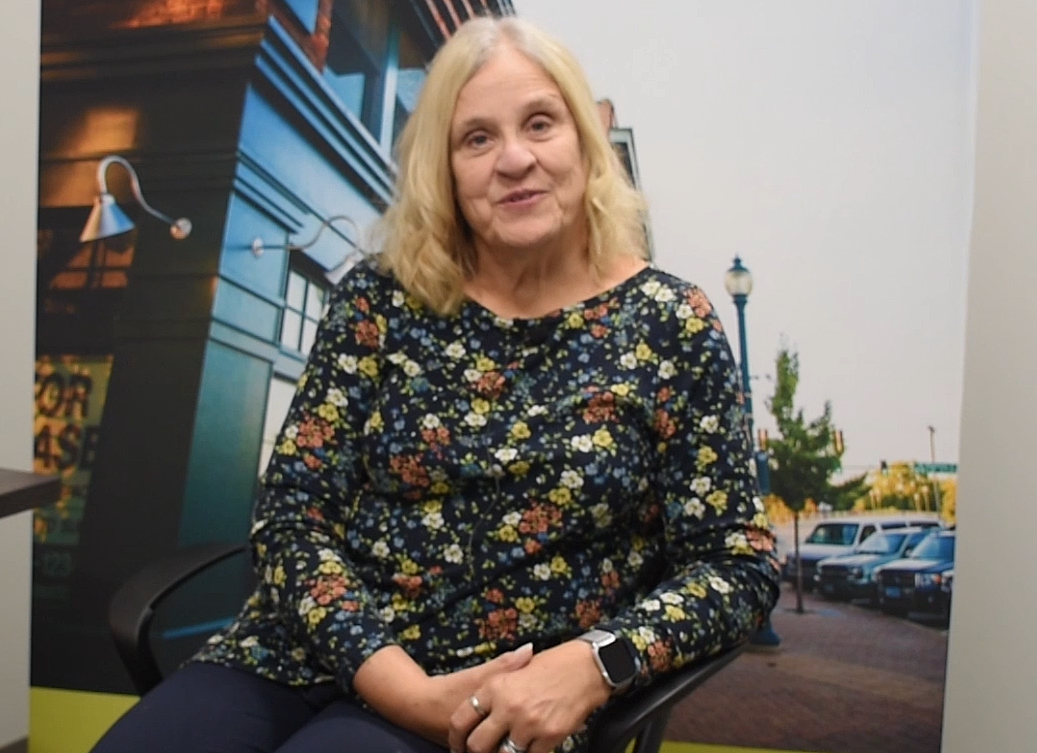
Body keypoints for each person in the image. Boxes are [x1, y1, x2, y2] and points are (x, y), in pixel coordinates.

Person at [89, 15, 780, 753]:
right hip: (306, 655)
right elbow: (292, 514)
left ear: (584, 141)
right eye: (476, 138)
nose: (513, 159)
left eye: (539, 123)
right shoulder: (379, 300)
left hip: (500, 701)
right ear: (444, 169)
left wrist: (595, 664)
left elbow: (734, 567)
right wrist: (397, 684)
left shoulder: (670, 323)